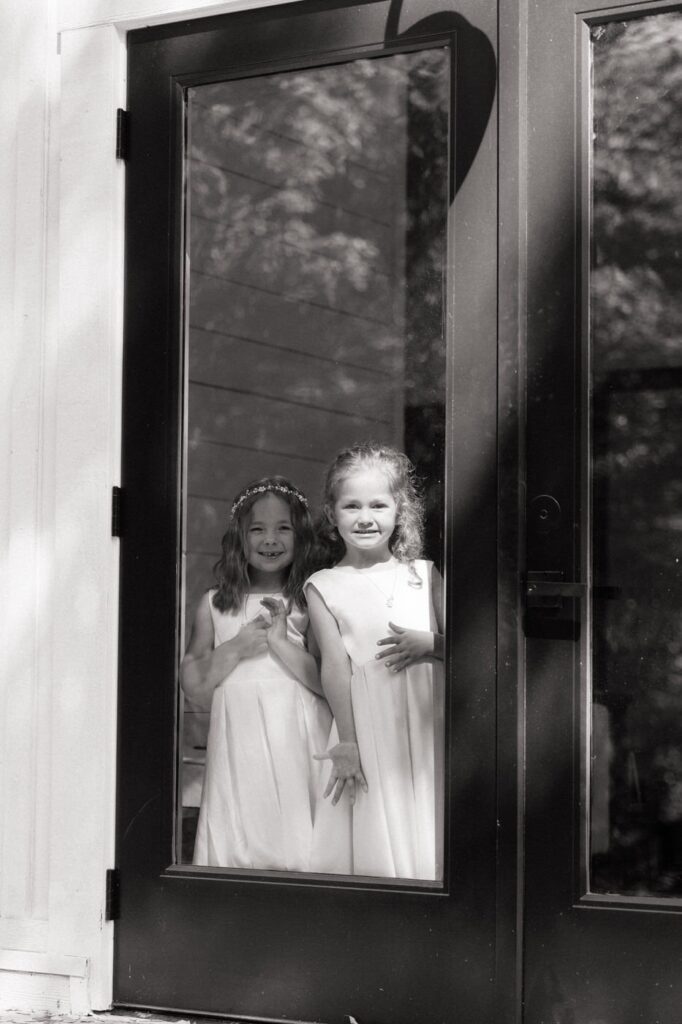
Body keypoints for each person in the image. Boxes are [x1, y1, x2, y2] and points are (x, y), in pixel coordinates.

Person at [304, 443, 444, 881]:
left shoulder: (423, 574)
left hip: (424, 725)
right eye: (352, 506)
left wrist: (431, 643)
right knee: (377, 825)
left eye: (379, 505)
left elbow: (472, 647)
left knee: (429, 819)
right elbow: (335, 667)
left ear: (399, 510)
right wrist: (348, 741)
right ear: (332, 513)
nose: (365, 517)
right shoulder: (323, 585)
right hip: (368, 724)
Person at [181, 476, 331, 871]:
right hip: (239, 738)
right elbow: (195, 686)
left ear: (301, 537)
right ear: (239, 539)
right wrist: (236, 647)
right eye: (258, 529)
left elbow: (327, 680)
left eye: (284, 528)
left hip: (296, 736)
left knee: (296, 834)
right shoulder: (214, 604)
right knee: (241, 833)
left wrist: (281, 645)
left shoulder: (310, 599)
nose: (270, 539)